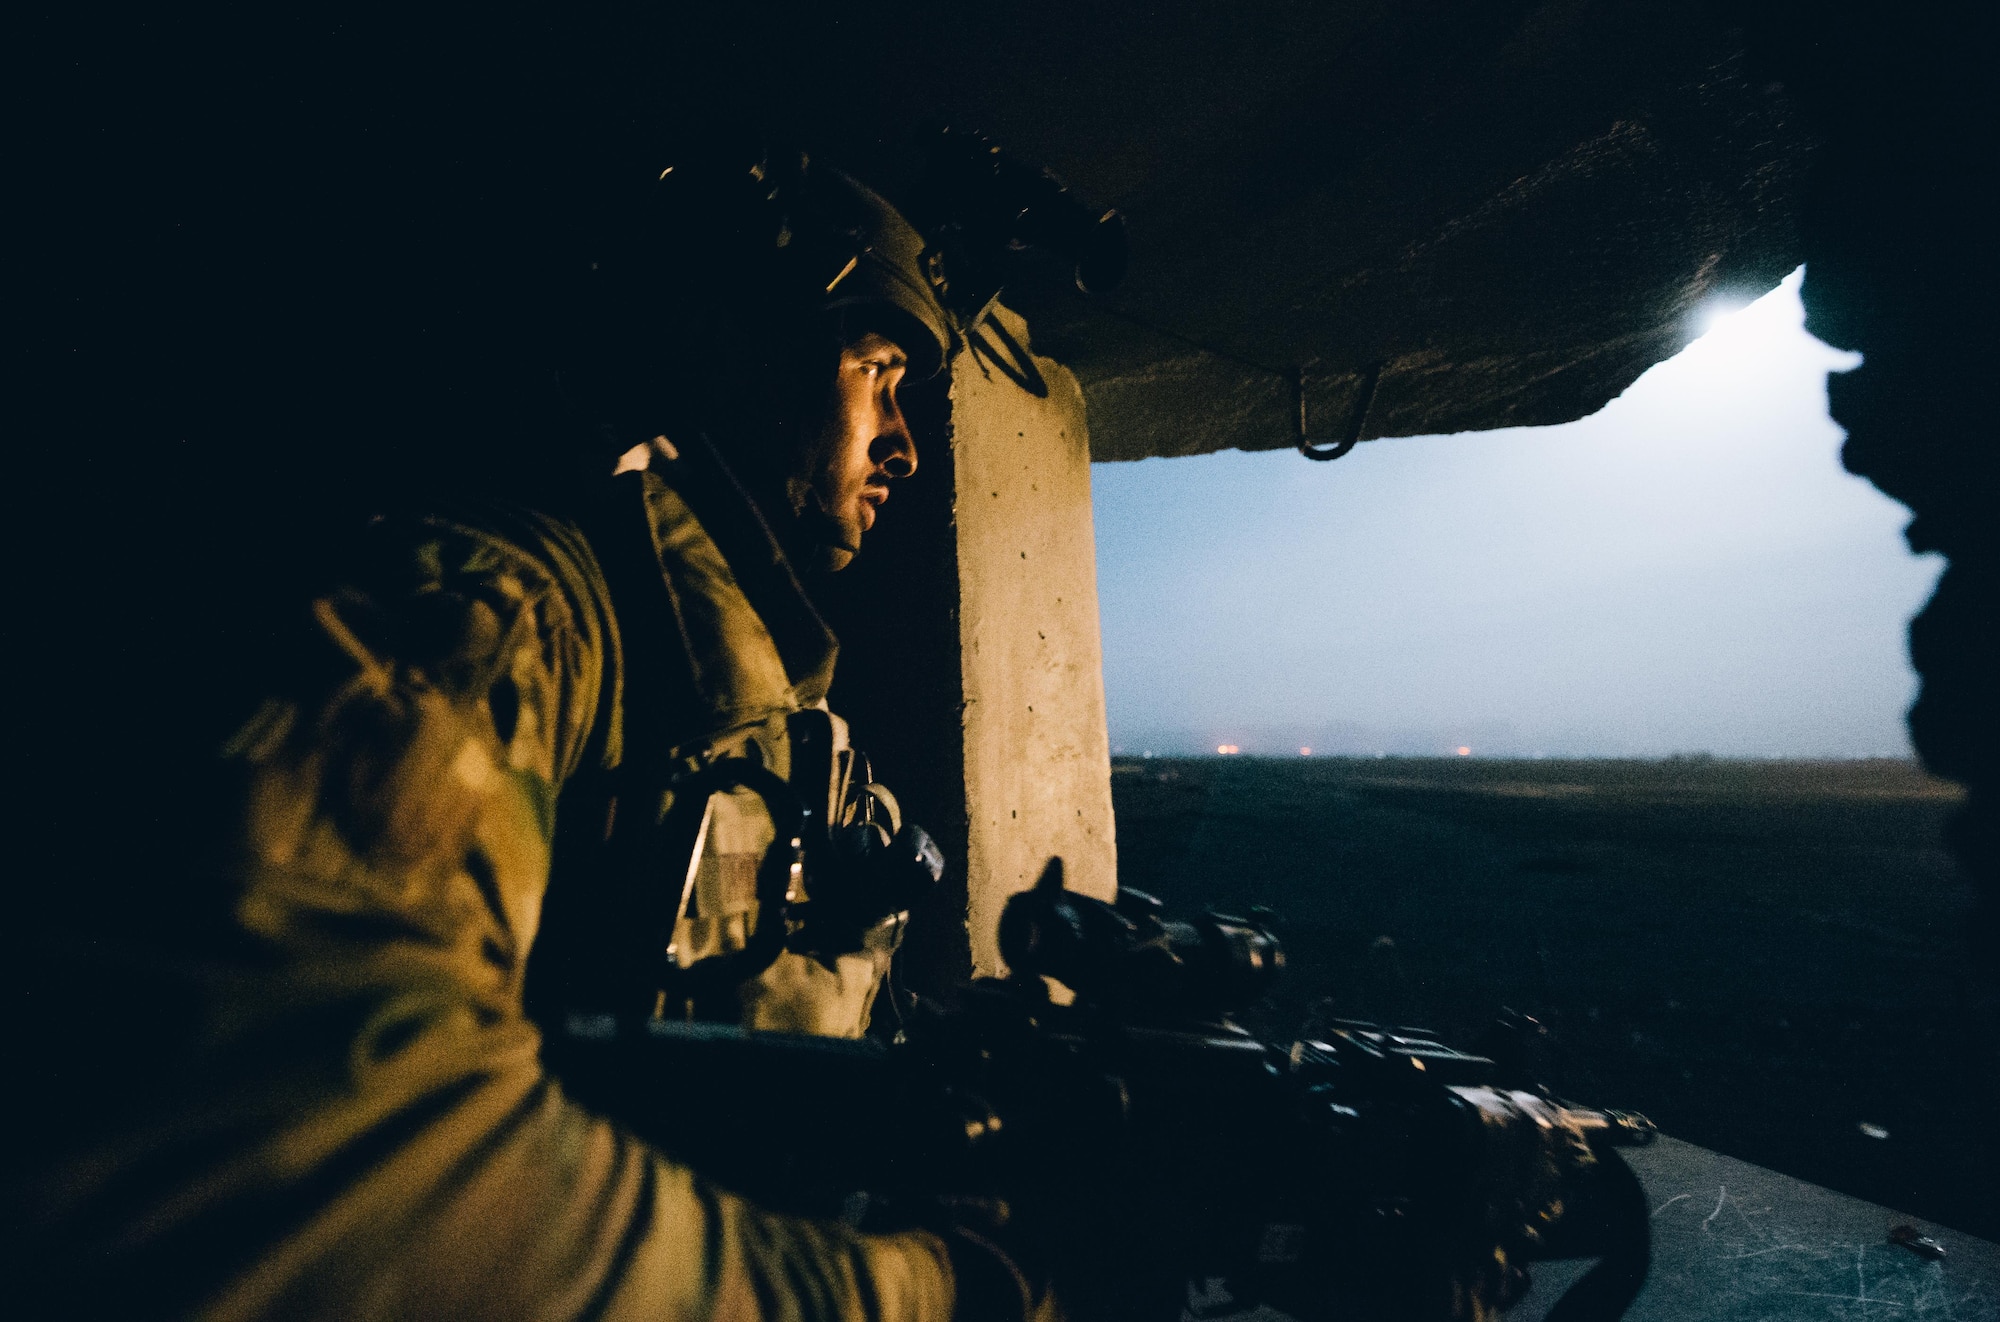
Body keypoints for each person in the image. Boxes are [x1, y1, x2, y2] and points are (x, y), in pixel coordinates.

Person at [13, 150, 1044, 1322]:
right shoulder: (508, 623)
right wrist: (920, 1292)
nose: (903, 443)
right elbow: (292, 1149)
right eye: (877, 374)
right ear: (729, 348)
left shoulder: (768, 720)